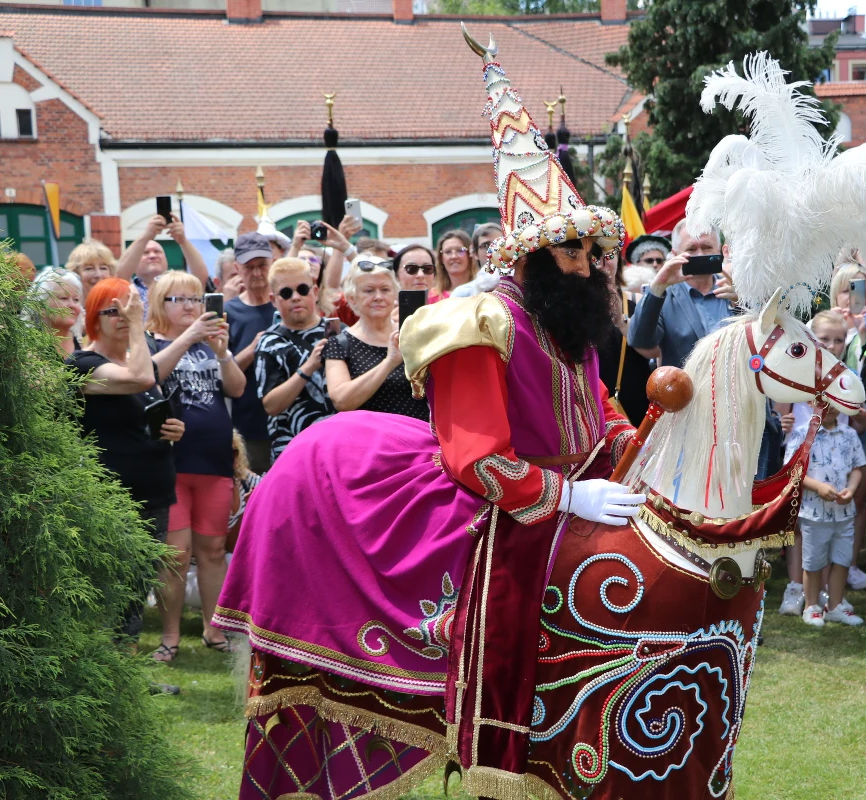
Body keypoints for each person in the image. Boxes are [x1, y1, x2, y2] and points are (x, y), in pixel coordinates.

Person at [214, 42, 643, 795]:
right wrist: (569, 497)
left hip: (560, 490)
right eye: (571, 249)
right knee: (496, 598)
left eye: (591, 249)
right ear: (532, 254)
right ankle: (489, 735)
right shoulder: (482, 321)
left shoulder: (571, 323)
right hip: (486, 496)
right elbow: (475, 456)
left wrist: (638, 446)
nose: (588, 263)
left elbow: (595, 410)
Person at [67, 278, 184, 640]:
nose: (122, 317)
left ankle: (127, 676)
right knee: (110, 590)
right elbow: (140, 377)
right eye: (111, 311)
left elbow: (151, 406)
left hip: (155, 491)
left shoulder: (138, 358)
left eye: (128, 310)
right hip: (112, 497)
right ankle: (105, 678)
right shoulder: (83, 362)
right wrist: (138, 325)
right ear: (93, 318)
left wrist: (174, 430)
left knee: (136, 589)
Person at [146, 272, 246, 660]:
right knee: (175, 553)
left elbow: (236, 388)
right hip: (170, 463)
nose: (190, 306)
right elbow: (150, 376)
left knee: (213, 549)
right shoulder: (151, 342)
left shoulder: (211, 345)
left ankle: (213, 629)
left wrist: (221, 351)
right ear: (159, 304)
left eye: (196, 298)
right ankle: (169, 637)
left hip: (214, 461)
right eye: (178, 299)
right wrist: (188, 338)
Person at [786, 393, 866, 628]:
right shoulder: (802, 434)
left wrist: (851, 490)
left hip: (844, 512)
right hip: (814, 513)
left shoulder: (849, 435)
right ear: (810, 403)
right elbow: (794, 472)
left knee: (842, 559)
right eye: (822, 401)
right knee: (813, 561)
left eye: (835, 402)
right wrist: (818, 486)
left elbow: (857, 468)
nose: (829, 407)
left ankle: (835, 605)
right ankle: (812, 606)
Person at [323, 259, 428, 420]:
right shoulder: (339, 343)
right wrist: (389, 362)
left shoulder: (413, 334)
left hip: (419, 436)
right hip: (369, 439)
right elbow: (341, 401)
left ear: (395, 295)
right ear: (352, 298)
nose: (378, 297)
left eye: (385, 289)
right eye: (369, 290)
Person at [254, 257, 333, 462]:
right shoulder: (269, 342)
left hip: (337, 446)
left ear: (315, 292)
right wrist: (308, 367)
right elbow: (271, 405)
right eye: (286, 293)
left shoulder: (339, 332)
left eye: (302, 289)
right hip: (292, 454)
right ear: (273, 300)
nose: (296, 297)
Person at [628, 220, 737, 369]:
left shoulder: (734, 291)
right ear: (674, 254)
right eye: (691, 249)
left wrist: (743, 304)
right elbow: (640, 340)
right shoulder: (662, 296)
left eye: (707, 247)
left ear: (720, 251)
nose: (700, 255)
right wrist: (657, 287)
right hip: (686, 389)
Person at [224, 232, 276, 475]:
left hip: (289, 421)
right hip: (248, 426)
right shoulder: (229, 312)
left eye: (262, 265)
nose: (257, 273)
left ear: (272, 263)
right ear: (236, 268)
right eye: (249, 267)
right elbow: (220, 371)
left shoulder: (288, 301)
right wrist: (254, 347)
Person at [595, 245, 655, 425]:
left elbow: (654, 351)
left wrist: (621, 320)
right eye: (594, 256)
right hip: (592, 405)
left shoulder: (638, 301)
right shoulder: (571, 308)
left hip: (635, 405)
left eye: (609, 255)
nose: (601, 263)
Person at [116, 212, 210, 314]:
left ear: (166, 259)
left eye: (157, 251)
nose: (152, 256)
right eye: (145, 253)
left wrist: (183, 241)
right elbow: (120, 274)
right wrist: (146, 236)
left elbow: (200, 277)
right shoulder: (130, 289)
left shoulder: (177, 285)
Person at [27, 267, 83, 357]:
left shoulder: (84, 344)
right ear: (40, 305)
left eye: (76, 300)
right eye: (63, 298)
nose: (72, 305)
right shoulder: (27, 348)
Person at [433, 229, 475, 300]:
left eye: (460, 250)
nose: (454, 256)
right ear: (441, 258)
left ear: (470, 254)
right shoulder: (433, 297)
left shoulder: (483, 291)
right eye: (448, 252)